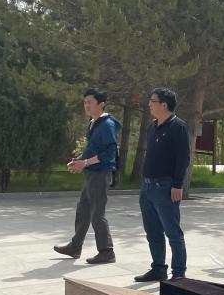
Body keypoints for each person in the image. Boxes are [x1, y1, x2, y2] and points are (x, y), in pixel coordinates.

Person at [54, 88, 122, 264]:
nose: (86, 105)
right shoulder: (93, 122)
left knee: (97, 213)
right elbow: (94, 148)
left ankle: (107, 251)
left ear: (101, 104)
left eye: (90, 102)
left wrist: (84, 162)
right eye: (85, 102)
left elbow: (110, 153)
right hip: (92, 173)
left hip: (100, 174)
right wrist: (80, 161)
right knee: (83, 209)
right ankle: (75, 246)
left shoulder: (106, 124)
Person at [134, 87, 191, 282]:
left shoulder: (178, 126)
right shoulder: (152, 127)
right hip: (147, 187)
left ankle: (179, 273)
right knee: (152, 231)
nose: (149, 104)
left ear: (164, 105)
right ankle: (158, 268)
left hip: (165, 187)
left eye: (153, 101)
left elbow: (183, 159)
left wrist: (177, 185)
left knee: (172, 232)